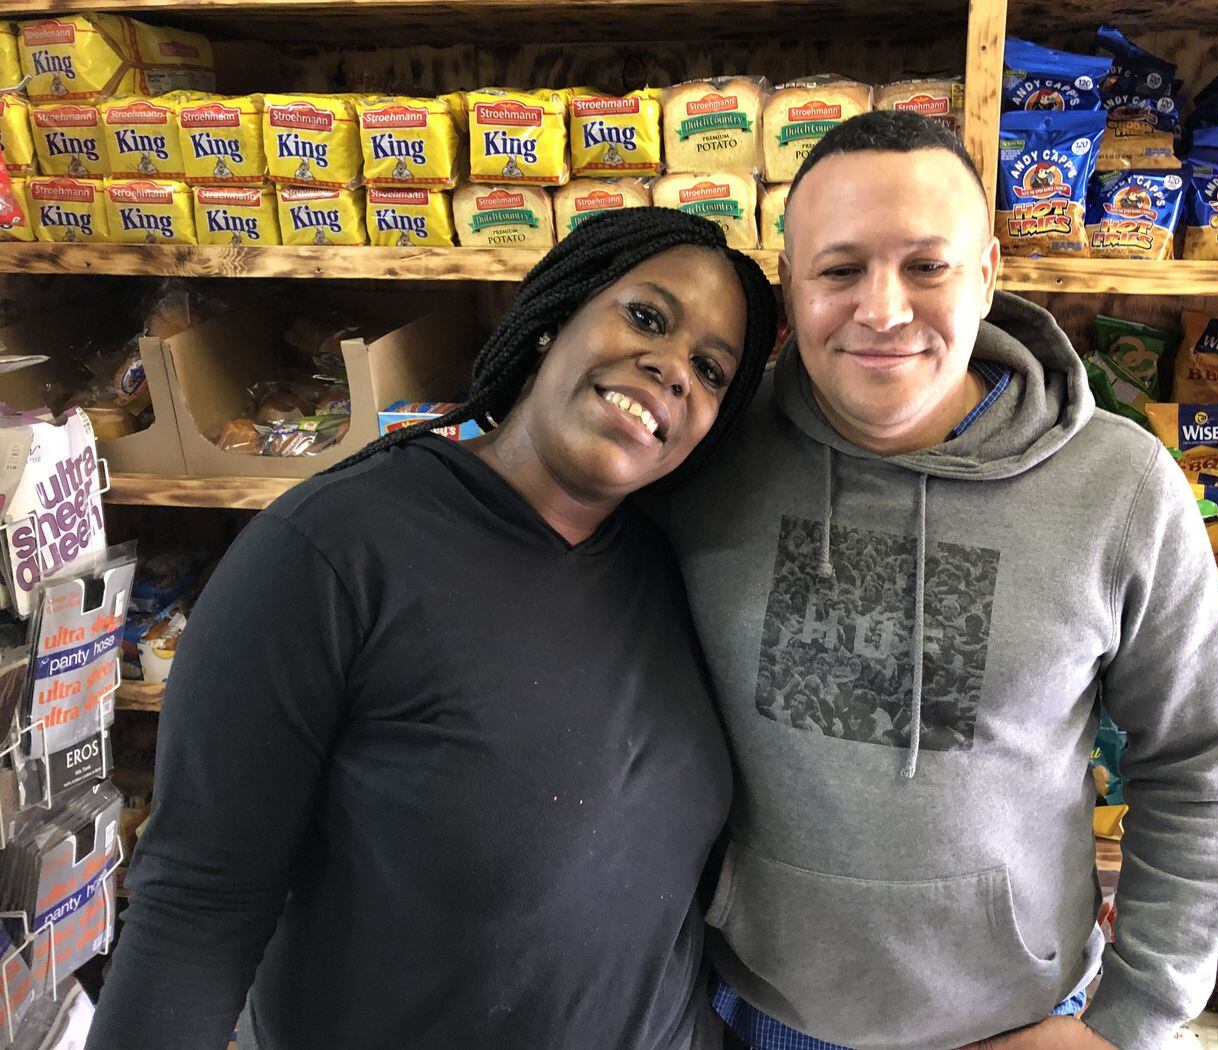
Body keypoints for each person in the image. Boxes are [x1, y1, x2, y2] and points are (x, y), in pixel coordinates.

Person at [86, 208, 777, 1050]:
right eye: (645, 316)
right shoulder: (333, 551)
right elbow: (197, 908)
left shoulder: (673, 570)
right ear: (554, 317)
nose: (672, 367)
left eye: (710, 370)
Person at [648, 111, 1218, 1049]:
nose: (882, 309)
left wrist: (1127, 1022)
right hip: (754, 1011)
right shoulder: (708, 448)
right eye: (839, 269)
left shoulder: (1122, 487)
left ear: (987, 273)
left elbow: (1200, 764)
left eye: (926, 266)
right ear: (788, 284)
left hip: (1016, 1024)